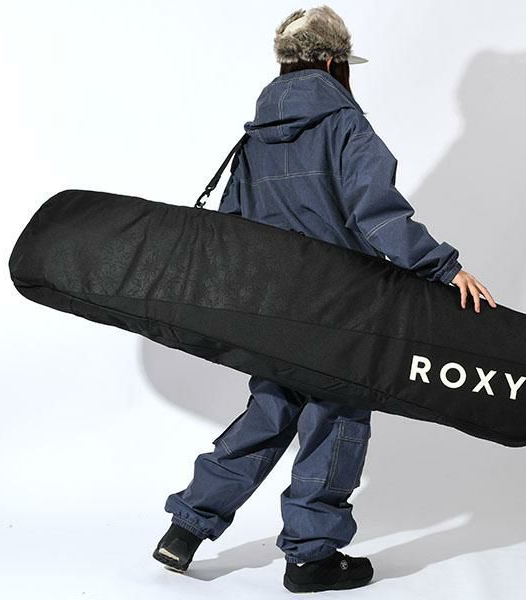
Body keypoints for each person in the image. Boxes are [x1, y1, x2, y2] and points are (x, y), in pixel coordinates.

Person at [152, 5, 497, 593]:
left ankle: (185, 527)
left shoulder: (253, 136)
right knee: (337, 418)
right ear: (335, 62)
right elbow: (377, 217)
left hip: (269, 308)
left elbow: (232, 225)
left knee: (269, 411)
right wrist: (445, 268)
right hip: (340, 310)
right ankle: (311, 557)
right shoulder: (346, 126)